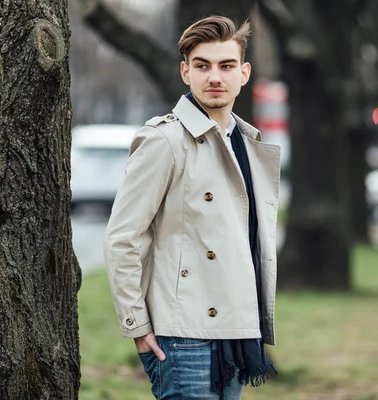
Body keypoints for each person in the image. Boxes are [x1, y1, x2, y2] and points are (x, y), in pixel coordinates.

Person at [103, 15, 280, 400]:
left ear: (244, 73)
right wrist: (136, 326)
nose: (214, 76)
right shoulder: (164, 141)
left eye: (226, 65)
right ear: (186, 72)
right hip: (182, 336)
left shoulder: (249, 143)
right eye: (203, 66)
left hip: (235, 329)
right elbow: (123, 238)